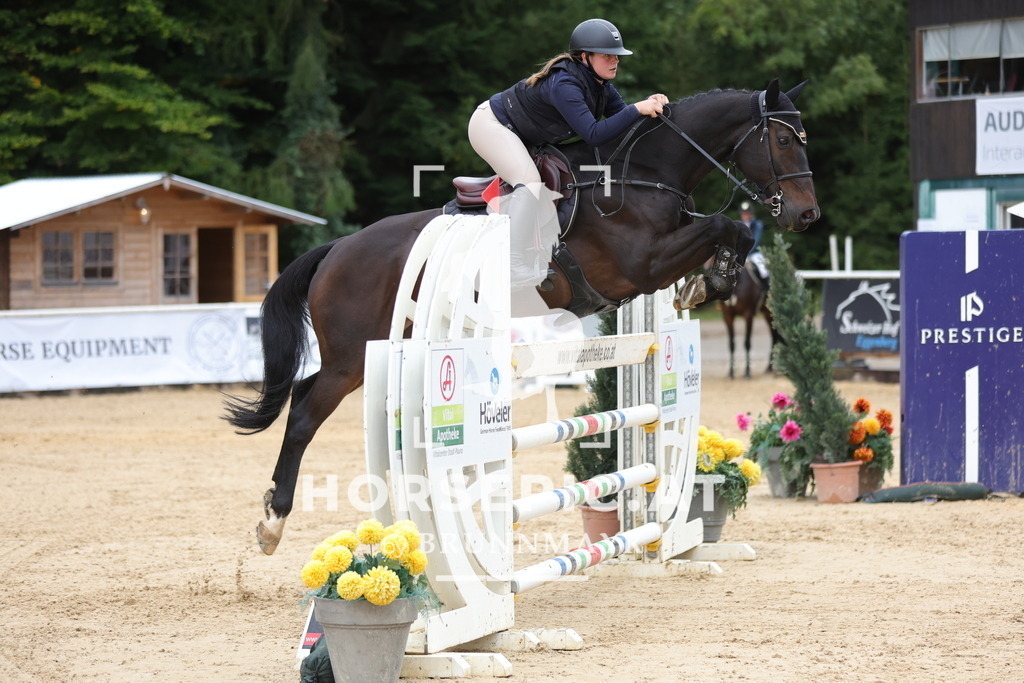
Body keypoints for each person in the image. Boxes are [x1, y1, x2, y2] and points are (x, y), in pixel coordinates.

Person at [468, 18, 668, 293]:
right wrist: (636, 109)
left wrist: (655, 108)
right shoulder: (564, 83)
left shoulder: (600, 86)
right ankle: (512, 263)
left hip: (523, 135)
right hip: (490, 125)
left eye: (617, 56)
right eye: (606, 55)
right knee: (530, 182)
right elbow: (594, 134)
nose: (615, 61)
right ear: (584, 57)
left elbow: (624, 125)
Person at [739, 201, 769, 288]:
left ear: (751, 214)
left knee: (764, 270)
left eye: (747, 213)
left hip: (754, 253)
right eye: (743, 213)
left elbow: (755, 241)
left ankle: (766, 291)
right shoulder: (737, 224)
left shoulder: (757, 224)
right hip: (739, 253)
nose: (745, 216)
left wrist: (746, 254)